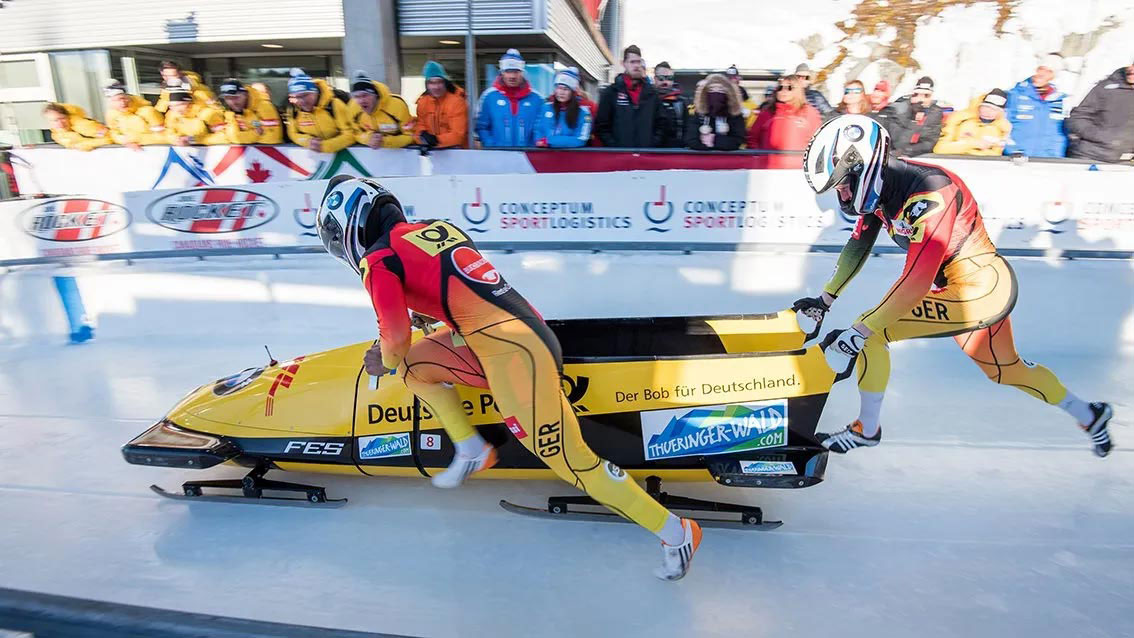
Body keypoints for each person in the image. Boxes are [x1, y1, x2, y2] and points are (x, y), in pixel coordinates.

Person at [314, 176, 703, 580]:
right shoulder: (438, 229)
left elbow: (394, 337)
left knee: (574, 464)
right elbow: (459, 288)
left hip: (516, 357)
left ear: (350, 230)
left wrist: (383, 361)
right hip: (519, 337)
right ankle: (470, 448)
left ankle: (675, 532)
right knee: (416, 367)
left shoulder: (379, 261)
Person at [795, 114, 1114, 458]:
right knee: (1005, 371)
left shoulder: (930, 191)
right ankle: (1089, 414)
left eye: (842, 184)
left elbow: (916, 279)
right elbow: (858, 246)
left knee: (872, 332)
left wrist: (859, 330)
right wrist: (825, 299)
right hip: (970, 287)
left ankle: (867, 430)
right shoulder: (882, 187)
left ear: (863, 168)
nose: (841, 195)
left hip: (978, 290)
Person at [1066, 59, 1134, 163]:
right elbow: (1077, 118)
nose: (1131, 69)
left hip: (1123, 162)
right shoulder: (1106, 88)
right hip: (1089, 156)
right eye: (1132, 65)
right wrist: (1102, 136)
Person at [595, 44, 663, 148]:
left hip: (646, 155)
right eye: (632, 62)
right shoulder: (611, 93)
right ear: (624, 64)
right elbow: (601, 125)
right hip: (619, 157)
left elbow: (661, 124)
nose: (636, 65)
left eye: (638, 62)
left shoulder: (653, 94)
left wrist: (652, 144)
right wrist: (614, 146)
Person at [1002, 55, 1069, 158]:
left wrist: (1057, 152)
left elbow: (1062, 131)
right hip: (1017, 156)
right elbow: (1002, 123)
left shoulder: (1061, 100)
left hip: (1050, 157)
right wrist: (1011, 149)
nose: (1042, 74)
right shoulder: (1014, 94)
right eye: (1041, 69)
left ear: (1054, 76)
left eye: (1049, 71)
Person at [475, 49, 543, 147]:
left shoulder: (537, 99)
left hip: (528, 157)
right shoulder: (489, 96)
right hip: (498, 156)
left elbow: (540, 129)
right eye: (508, 71)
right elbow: (481, 126)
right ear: (502, 72)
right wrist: (490, 144)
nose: (512, 76)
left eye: (516, 72)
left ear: (522, 72)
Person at [747, 75, 821, 157]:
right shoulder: (766, 113)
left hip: (798, 167)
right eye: (780, 87)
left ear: (798, 90)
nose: (783, 91)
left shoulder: (810, 113)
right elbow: (752, 138)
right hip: (768, 167)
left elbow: (818, 142)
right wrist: (758, 157)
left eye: (789, 87)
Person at [285, 68, 354, 153]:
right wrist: (307, 141)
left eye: (305, 95)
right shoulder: (293, 110)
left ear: (315, 92)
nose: (302, 101)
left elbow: (351, 133)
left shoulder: (334, 104)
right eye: (297, 97)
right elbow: (292, 134)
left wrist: (325, 146)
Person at [877, 76, 944, 156]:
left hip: (913, 159)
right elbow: (894, 140)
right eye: (916, 95)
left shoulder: (934, 114)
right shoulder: (898, 110)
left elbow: (928, 143)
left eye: (926, 96)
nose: (920, 99)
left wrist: (918, 122)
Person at [346, 71, 413, 149]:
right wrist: (368, 139)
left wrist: (384, 141)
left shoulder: (397, 106)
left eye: (365, 95)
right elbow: (355, 133)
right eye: (357, 97)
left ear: (375, 95)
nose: (361, 101)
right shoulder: (353, 107)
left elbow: (410, 136)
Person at [933, 89, 1011, 156]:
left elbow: (996, 156)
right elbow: (940, 149)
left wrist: (965, 150)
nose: (987, 111)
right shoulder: (959, 121)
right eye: (985, 107)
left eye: (993, 109)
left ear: (1000, 112)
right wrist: (973, 144)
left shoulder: (1003, 130)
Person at [413, 60, 468, 149]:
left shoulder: (457, 102)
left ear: (445, 82)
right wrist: (422, 135)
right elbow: (419, 126)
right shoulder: (422, 103)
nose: (436, 87)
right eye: (432, 83)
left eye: (439, 82)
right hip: (432, 152)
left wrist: (437, 140)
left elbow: (458, 134)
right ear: (427, 84)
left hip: (457, 152)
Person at [684, 73, 746, 151]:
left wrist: (713, 140)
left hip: (728, 161)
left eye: (721, 90)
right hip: (703, 160)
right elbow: (691, 140)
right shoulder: (699, 114)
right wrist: (707, 145)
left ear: (729, 93)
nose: (716, 94)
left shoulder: (735, 115)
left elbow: (738, 141)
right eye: (711, 89)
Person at [212, 78, 283, 145]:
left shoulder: (265, 106)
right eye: (227, 98)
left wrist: (244, 135)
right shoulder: (229, 112)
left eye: (236, 97)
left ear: (245, 95)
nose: (232, 102)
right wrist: (256, 133)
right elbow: (233, 137)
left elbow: (272, 138)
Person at [535, 67, 592, 148]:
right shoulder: (546, 107)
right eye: (559, 88)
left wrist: (550, 141)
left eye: (566, 89)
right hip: (546, 156)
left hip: (570, 157)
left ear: (573, 92)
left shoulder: (584, 112)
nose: (561, 92)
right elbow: (538, 132)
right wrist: (539, 141)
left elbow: (581, 139)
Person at [103, 80, 166, 148]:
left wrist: (135, 139)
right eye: (115, 100)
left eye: (123, 98)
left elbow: (162, 136)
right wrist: (125, 141)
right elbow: (113, 133)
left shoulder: (148, 111)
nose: (122, 103)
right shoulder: (111, 114)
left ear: (128, 97)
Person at [42, 103, 112, 151]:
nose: (60, 123)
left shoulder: (84, 125)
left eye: (62, 118)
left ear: (68, 117)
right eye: (54, 120)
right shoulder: (57, 135)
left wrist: (86, 145)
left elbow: (109, 137)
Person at [653, 61, 686, 148]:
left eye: (669, 78)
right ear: (655, 79)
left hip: (676, 151)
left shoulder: (681, 102)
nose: (665, 82)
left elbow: (687, 128)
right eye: (661, 78)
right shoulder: (647, 100)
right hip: (651, 150)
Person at [725, 64, 759, 129]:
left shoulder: (743, 92)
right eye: (729, 78)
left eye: (734, 77)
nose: (732, 80)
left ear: (738, 79)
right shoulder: (720, 94)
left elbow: (754, 118)